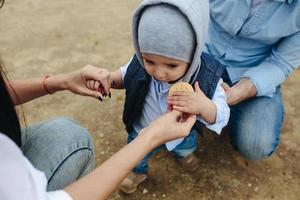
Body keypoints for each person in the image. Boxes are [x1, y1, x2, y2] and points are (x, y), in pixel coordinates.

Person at [87, 0, 230, 193]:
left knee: (185, 146)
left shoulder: (207, 76)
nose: (159, 73)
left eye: (172, 65)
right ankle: (138, 171)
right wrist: (108, 80)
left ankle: (184, 155)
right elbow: (125, 75)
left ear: (194, 53)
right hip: (142, 130)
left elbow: (222, 113)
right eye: (150, 61)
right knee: (136, 154)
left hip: (181, 133)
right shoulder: (139, 62)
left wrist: (204, 106)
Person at [205, 0, 300, 160]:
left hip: (255, 69)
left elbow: (281, 63)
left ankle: (228, 112)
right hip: (203, 49)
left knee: (256, 144)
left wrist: (240, 92)